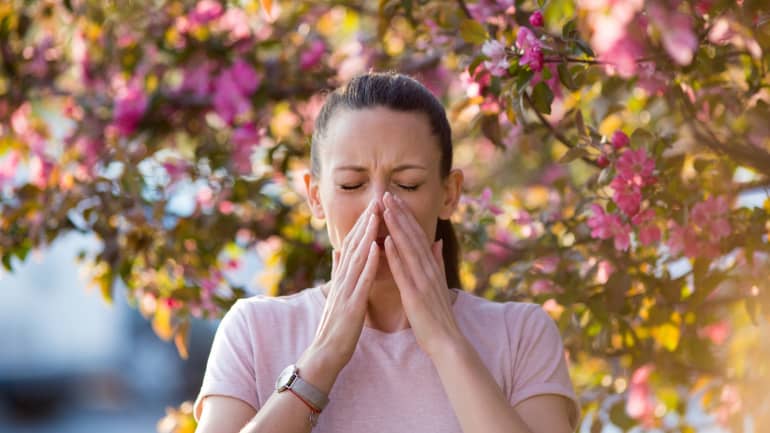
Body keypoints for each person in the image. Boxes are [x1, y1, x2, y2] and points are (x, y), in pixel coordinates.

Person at [193, 71, 580, 433]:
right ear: (315, 196)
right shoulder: (254, 330)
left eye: (408, 184)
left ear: (449, 195)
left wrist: (445, 343)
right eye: (351, 184)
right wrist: (324, 356)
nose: (378, 205)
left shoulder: (520, 334)